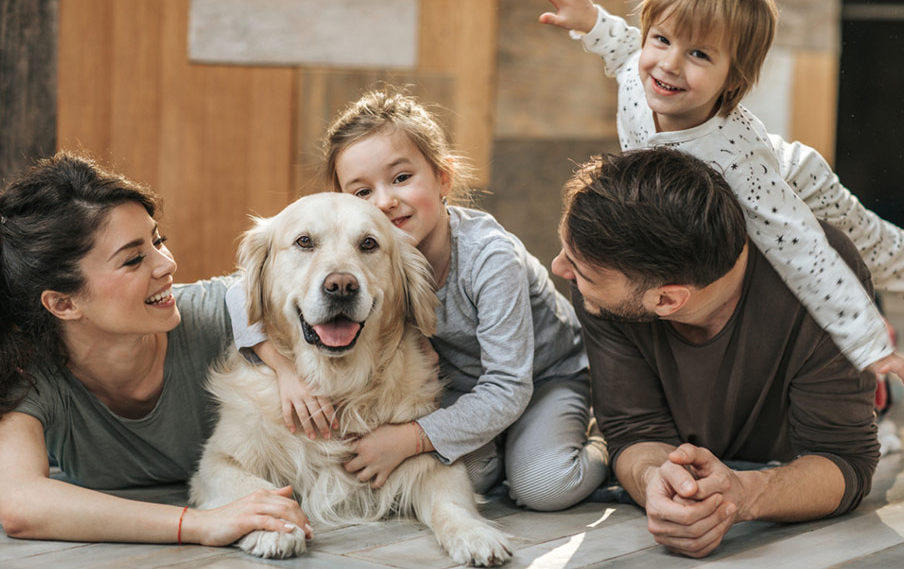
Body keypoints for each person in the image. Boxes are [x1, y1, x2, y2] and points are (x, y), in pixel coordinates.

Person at [228, 89, 608, 511]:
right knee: (468, 476)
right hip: (459, 389)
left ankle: (604, 442)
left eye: (401, 178)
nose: (385, 201)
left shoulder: (491, 258)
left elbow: (508, 387)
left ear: (443, 178)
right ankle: (508, 446)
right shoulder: (371, 258)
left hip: (539, 381)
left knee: (544, 485)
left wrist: (410, 439)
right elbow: (237, 290)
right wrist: (285, 371)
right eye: (362, 192)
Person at [537, 0, 904, 378]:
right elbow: (623, 48)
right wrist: (587, 18)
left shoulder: (735, 161)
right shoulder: (641, 80)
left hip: (798, 184)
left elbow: (805, 251)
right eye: (661, 39)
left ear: (733, 78)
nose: (668, 64)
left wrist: (869, 344)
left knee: (879, 253)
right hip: (750, 184)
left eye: (699, 54)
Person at [551, 147, 880, 558]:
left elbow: (845, 460)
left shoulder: (825, 274)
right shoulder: (601, 284)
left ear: (667, 300)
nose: (558, 267)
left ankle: (874, 389)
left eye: (580, 271)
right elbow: (635, 433)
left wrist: (743, 494)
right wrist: (657, 482)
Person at [0, 153, 312, 545]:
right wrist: (200, 525)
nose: (167, 265)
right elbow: (20, 503)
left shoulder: (229, 318)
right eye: (133, 259)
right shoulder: (30, 374)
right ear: (63, 304)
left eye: (158, 240)